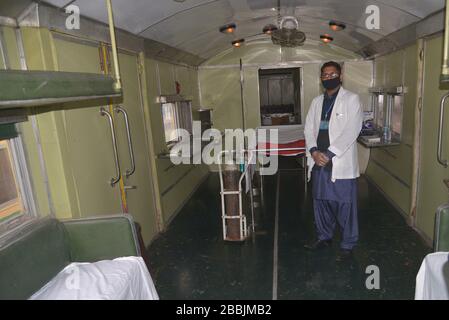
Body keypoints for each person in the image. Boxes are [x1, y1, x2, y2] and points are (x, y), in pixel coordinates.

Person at [303, 61, 363, 261]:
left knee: (345, 206)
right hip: (318, 162)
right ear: (321, 79)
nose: (329, 78)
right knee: (321, 202)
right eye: (325, 75)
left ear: (341, 76)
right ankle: (324, 237)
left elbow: (351, 131)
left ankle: (347, 246)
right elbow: (308, 129)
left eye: (332, 74)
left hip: (339, 162)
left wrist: (328, 154)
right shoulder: (316, 102)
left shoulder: (351, 100)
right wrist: (313, 152)